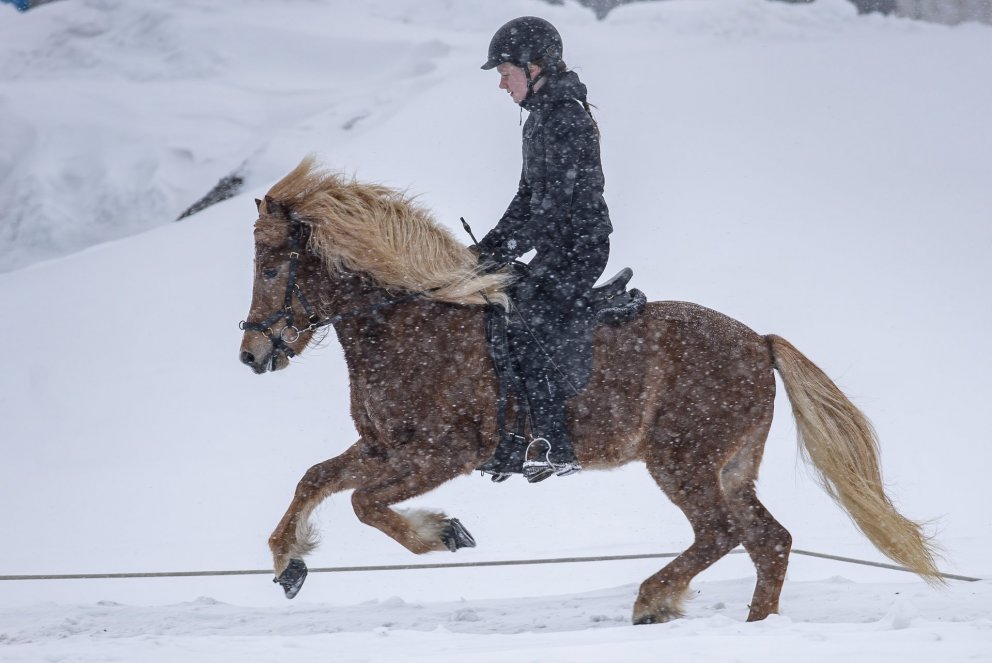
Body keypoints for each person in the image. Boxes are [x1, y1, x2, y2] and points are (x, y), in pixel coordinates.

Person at [475, 16, 612, 482]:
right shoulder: (538, 120)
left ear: (535, 67)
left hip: (580, 249)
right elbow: (527, 200)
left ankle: (555, 441)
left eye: (505, 71)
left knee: (529, 321)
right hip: (555, 247)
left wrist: (508, 249)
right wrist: (482, 251)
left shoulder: (565, 117)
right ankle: (515, 433)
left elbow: (554, 207)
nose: (500, 83)